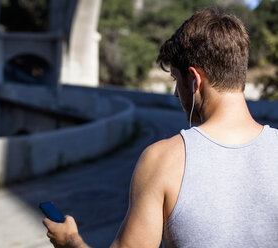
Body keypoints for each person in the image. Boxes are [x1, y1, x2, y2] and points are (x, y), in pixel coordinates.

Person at [43, 7, 278, 248]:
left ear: (195, 80)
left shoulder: (163, 160)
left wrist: (69, 240)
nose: (177, 93)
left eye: (177, 80)